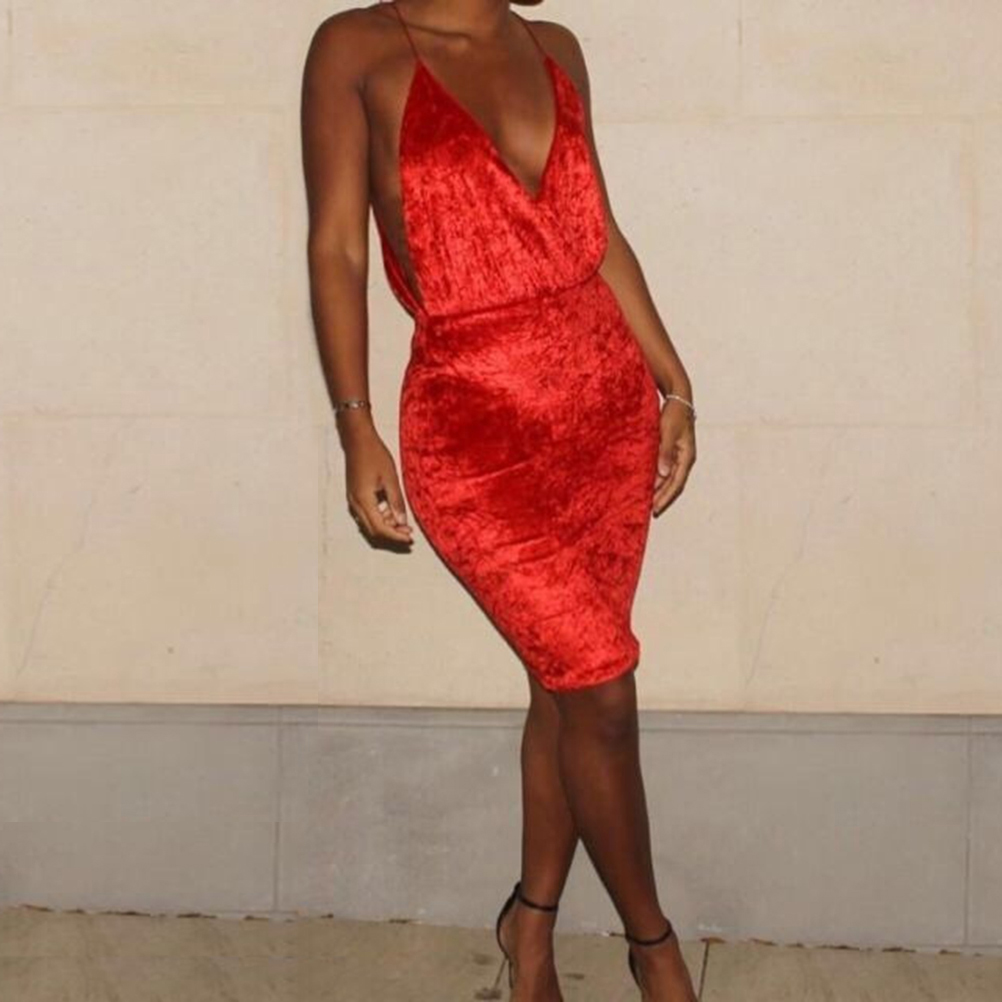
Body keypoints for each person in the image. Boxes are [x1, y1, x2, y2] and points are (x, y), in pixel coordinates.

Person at [301, 1, 698, 998]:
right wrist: (355, 424)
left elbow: (597, 237)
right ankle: (656, 952)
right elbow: (338, 247)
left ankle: (531, 928)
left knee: (563, 689)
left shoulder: (556, 48)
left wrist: (674, 382)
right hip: (474, 426)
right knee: (601, 691)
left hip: (605, 413)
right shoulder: (355, 47)